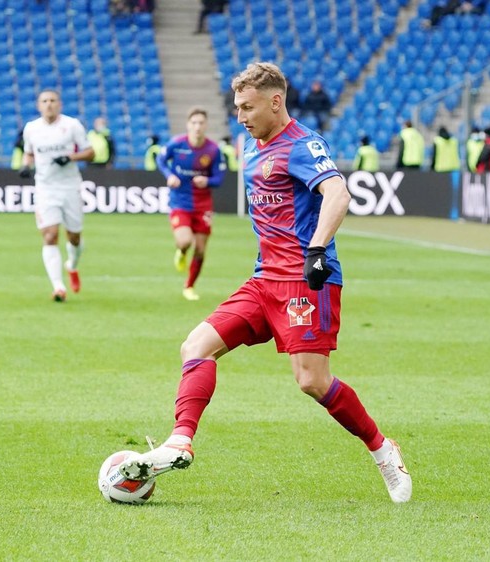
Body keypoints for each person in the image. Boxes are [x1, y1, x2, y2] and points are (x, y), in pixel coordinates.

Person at [115, 61, 412, 504]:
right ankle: (179, 440)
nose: (240, 116)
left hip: (306, 282)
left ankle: (383, 449)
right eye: (236, 107)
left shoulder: (303, 145)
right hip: (263, 280)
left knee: (312, 381)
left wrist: (315, 249)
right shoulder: (250, 146)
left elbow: (338, 193)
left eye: (248, 107)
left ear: (276, 102)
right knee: (195, 346)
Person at [20, 89, 95, 301]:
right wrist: (26, 165)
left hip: (70, 186)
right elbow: (29, 152)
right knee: (50, 235)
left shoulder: (71, 125)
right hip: (45, 188)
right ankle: (58, 287)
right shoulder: (31, 128)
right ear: (38, 105)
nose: (49, 104)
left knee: (74, 236)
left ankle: (71, 265)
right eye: (44, 101)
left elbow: (91, 152)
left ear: (59, 104)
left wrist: (70, 157)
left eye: (53, 100)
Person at [156, 107, 224, 301]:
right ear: (188, 125)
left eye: (201, 123)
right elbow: (160, 159)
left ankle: (189, 286)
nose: (197, 127)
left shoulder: (213, 150)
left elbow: (219, 178)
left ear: (206, 125)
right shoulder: (176, 144)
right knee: (185, 241)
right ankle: (181, 251)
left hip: (203, 205)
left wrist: (207, 181)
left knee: (201, 249)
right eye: (194, 123)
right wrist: (169, 176)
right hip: (180, 202)